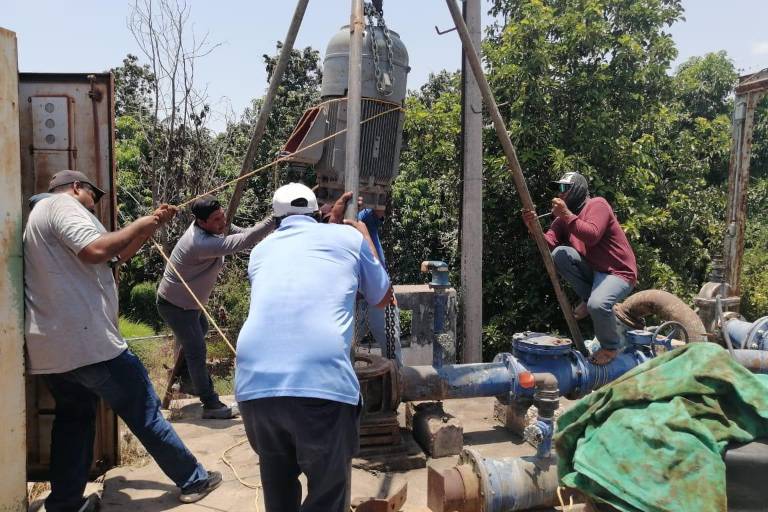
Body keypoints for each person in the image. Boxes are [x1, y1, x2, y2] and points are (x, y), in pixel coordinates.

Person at [24, 170, 221, 512]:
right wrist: (140, 222)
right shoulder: (62, 206)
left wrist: (149, 227)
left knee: (73, 422)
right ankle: (193, 479)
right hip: (90, 345)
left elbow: (114, 257)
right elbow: (95, 250)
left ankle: (65, 505)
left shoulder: (38, 220)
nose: (95, 203)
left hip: (53, 352)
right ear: (76, 188)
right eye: (94, 195)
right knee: (143, 410)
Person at [235, 183, 392, 512]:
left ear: (276, 220)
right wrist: (364, 236)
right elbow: (382, 297)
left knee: (278, 489)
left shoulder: (261, 251)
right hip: (323, 387)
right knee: (327, 495)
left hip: (255, 387)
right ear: (316, 213)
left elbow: (302, 272)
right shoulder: (349, 239)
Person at [156, 194, 275, 419]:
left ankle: (187, 381)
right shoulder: (200, 243)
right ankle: (210, 403)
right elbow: (242, 241)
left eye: (223, 216)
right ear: (201, 222)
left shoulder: (213, 229)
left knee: (199, 334)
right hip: (176, 305)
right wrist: (274, 219)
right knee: (196, 351)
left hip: (191, 304)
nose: (223, 222)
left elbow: (242, 233)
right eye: (217, 220)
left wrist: (269, 231)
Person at [523, 171, 638, 365]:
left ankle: (610, 348)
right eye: (558, 189)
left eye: (563, 188)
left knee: (597, 305)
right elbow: (548, 244)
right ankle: (590, 297)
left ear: (577, 189)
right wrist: (533, 229)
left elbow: (592, 235)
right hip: (595, 271)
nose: (559, 193)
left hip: (618, 272)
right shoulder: (563, 219)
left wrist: (566, 215)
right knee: (560, 254)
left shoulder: (598, 204)